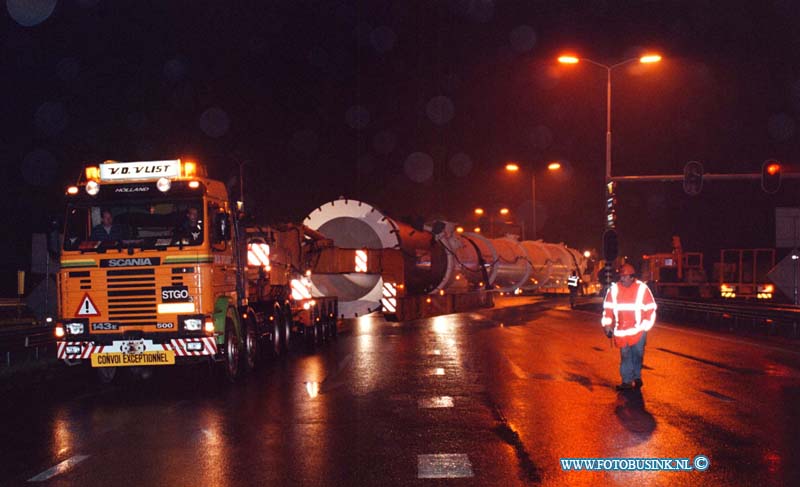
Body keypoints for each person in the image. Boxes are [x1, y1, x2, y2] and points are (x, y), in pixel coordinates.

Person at [601, 263, 657, 390]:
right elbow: (608, 309)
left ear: (632, 277)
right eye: (621, 276)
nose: (622, 279)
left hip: (638, 330)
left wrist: (646, 325)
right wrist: (607, 325)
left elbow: (650, 308)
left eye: (625, 277)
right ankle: (626, 381)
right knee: (625, 356)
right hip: (622, 331)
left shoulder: (642, 289)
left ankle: (636, 377)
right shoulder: (614, 289)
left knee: (637, 355)